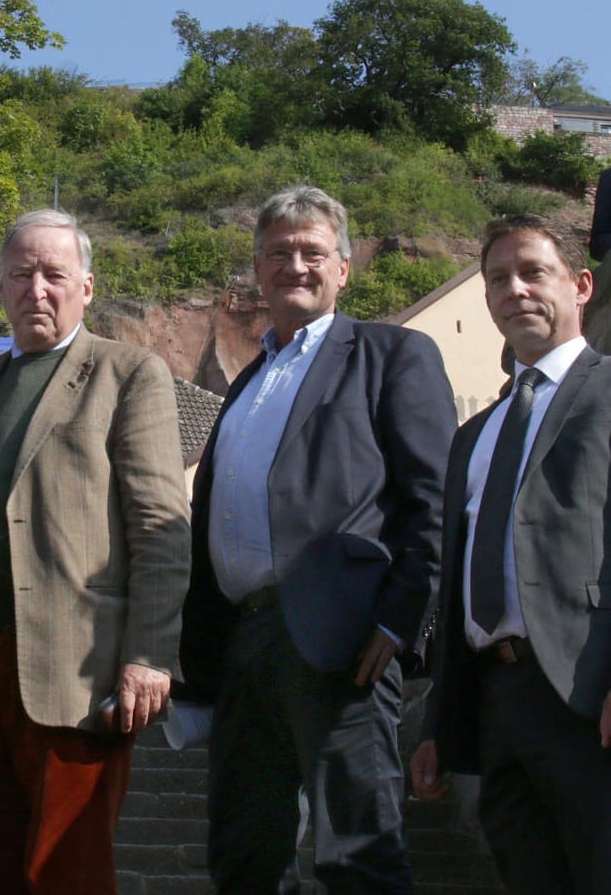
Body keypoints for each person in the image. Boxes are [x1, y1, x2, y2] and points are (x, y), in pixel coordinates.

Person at [180, 185, 455, 893]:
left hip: (343, 640)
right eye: (278, 252)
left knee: (356, 853)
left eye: (312, 252)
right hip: (242, 642)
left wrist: (400, 617)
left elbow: (434, 498)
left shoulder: (392, 354)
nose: (295, 266)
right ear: (257, 268)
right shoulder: (250, 382)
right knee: (244, 855)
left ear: (344, 267)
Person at [0, 209, 192, 893]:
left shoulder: (127, 373)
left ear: (86, 288)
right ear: (1, 286)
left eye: (54, 274)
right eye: (21, 273)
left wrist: (149, 655)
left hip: (77, 667)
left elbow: (162, 523)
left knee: (65, 871)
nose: (37, 289)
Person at [410, 215, 611, 894]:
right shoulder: (474, 436)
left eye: (533, 272)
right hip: (496, 704)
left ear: (581, 285)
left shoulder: (608, 393)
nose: (514, 290)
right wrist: (440, 724)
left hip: (586, 695)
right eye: (498, 279)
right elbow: (454, 587)